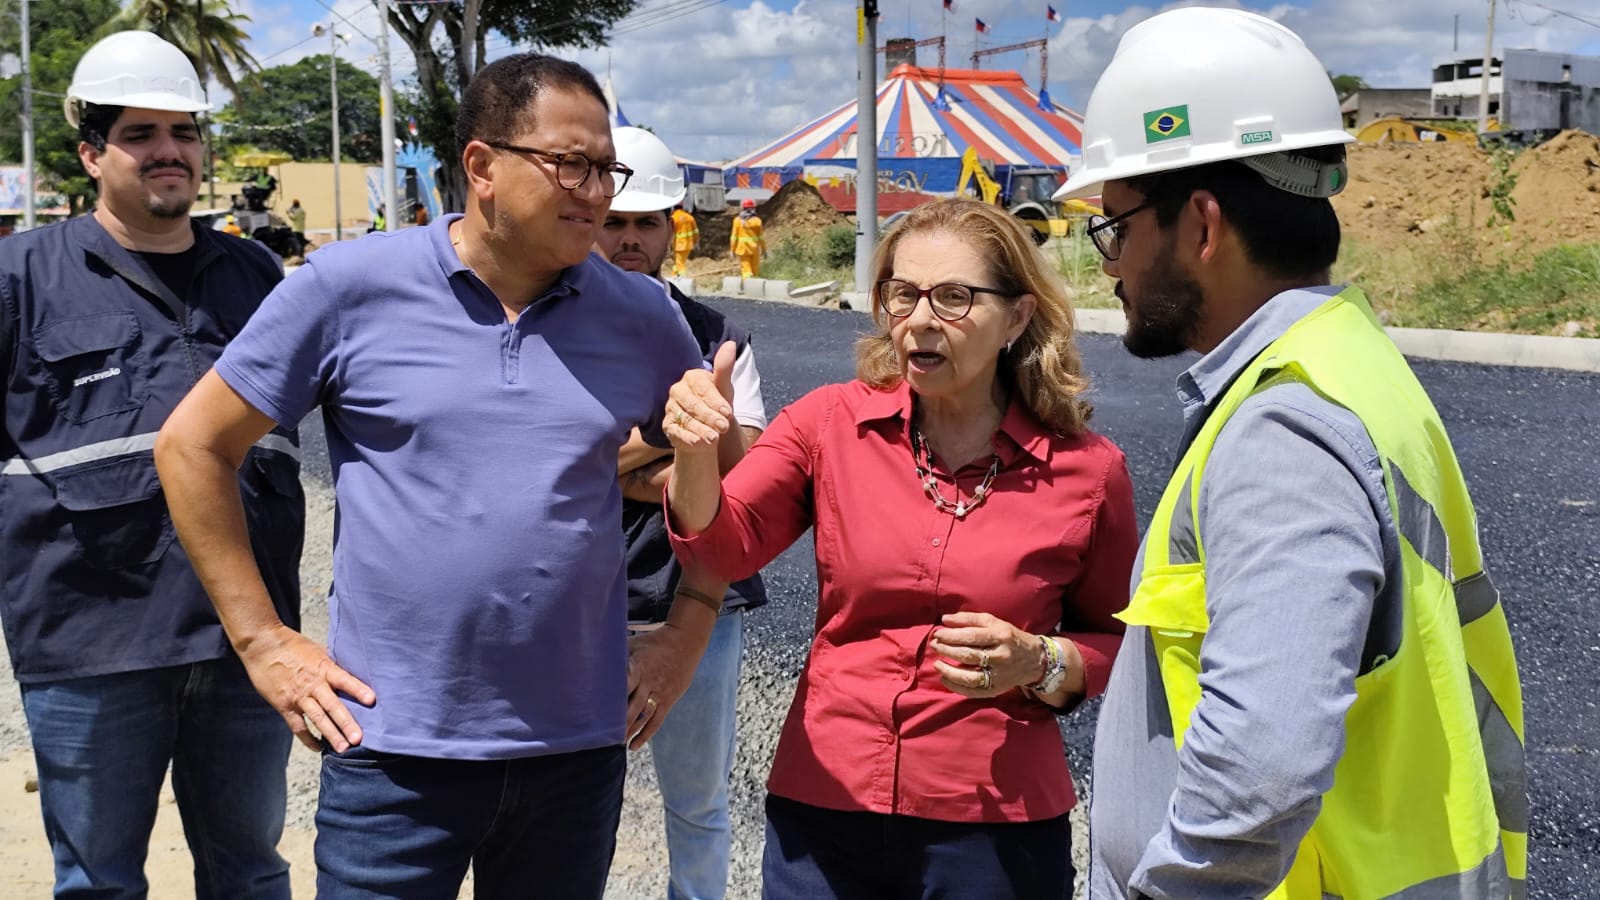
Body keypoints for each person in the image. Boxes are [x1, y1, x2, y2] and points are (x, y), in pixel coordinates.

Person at [153, 53, 723, 899]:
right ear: (482, 166)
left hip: (574, 755)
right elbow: (193, 445)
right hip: (390, 752)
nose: (596, 191)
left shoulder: (643, 315)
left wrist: (688, 629)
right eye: (570, 163)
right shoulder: (348, 288)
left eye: (606, 168)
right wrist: (263, 641)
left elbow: (722, 488)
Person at [1052, 9, 1528, 899]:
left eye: (1114, 229)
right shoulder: (1352, 364)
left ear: (1200, 225)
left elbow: (1257, 772)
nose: (1111, 266)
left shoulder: (1286, 428)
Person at [664, 198, 1138, 898]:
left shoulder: (1088, 472)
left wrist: (1039, 660)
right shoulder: (828, 425)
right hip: (825, 813)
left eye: (953, 298)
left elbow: (1120, 644)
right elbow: (723, 548)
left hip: (995, 828)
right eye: (902, 294)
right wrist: (695, 452)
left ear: (1017, 316)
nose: (919, 319)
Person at [0, 30, 303, 899]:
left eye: (185, 133)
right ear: (92, 152)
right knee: (99, 882)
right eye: (141, 134)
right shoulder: (21, 278)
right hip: (92, 644)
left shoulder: (256, 274)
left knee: (250, 874)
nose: (170, 152)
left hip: (249, 635)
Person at [597, 125, 769, 900]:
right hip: (580, 598)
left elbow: (752, 474)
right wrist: (677, 449)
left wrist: (623, 459)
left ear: (672, 229)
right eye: (616, 222)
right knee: (572, 800)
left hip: (698, 598)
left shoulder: (720, 337)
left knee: (698, 804)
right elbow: (538, 469)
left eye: (647, 223)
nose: (630, 239)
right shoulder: (551, 333)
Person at [729, 198, 764, 277]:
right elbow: (761, 238)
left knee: (746, 271)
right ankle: (755, 285)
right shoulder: (757, 221)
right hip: (754, 249)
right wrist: (764, 250)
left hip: (743, 249)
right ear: (753, 208)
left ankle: (748, 284)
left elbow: (734, 237)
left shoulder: (737, 220)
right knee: (755, 270)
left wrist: (732, 250)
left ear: (743, 208)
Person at [670, 203, 698, 277]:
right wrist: (696, 242)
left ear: (674, 208)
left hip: (679, 244)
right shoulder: (690, 217)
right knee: (679, 261)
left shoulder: (673, 218)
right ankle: (674, 275)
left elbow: (670, 233)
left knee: (680, 263)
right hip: (689, 244)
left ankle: (682, 278)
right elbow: (696, 232)